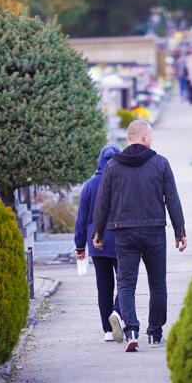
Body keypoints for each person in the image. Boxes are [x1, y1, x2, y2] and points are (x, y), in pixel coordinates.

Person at [92, 120, 187, 351]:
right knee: (157, 283)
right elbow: (172, 199)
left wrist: (98, 231)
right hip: (153, 230)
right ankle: (155, 333)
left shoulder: (113, 166)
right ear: (144, 137)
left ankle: (131, 331)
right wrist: (179, 231)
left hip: (124, 233)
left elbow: (103, 201)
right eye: (151, 135)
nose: (152, 139)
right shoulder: (160, 163)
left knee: (125, 284)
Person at [74, 144, 124, 342]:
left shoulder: (90, 185)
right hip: (122, 241)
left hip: (98, 243)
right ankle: (118, 314)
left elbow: (81, 219)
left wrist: (79, 247)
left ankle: (107, 329)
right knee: (125, 284)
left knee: (104, 288)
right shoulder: (124, 182)